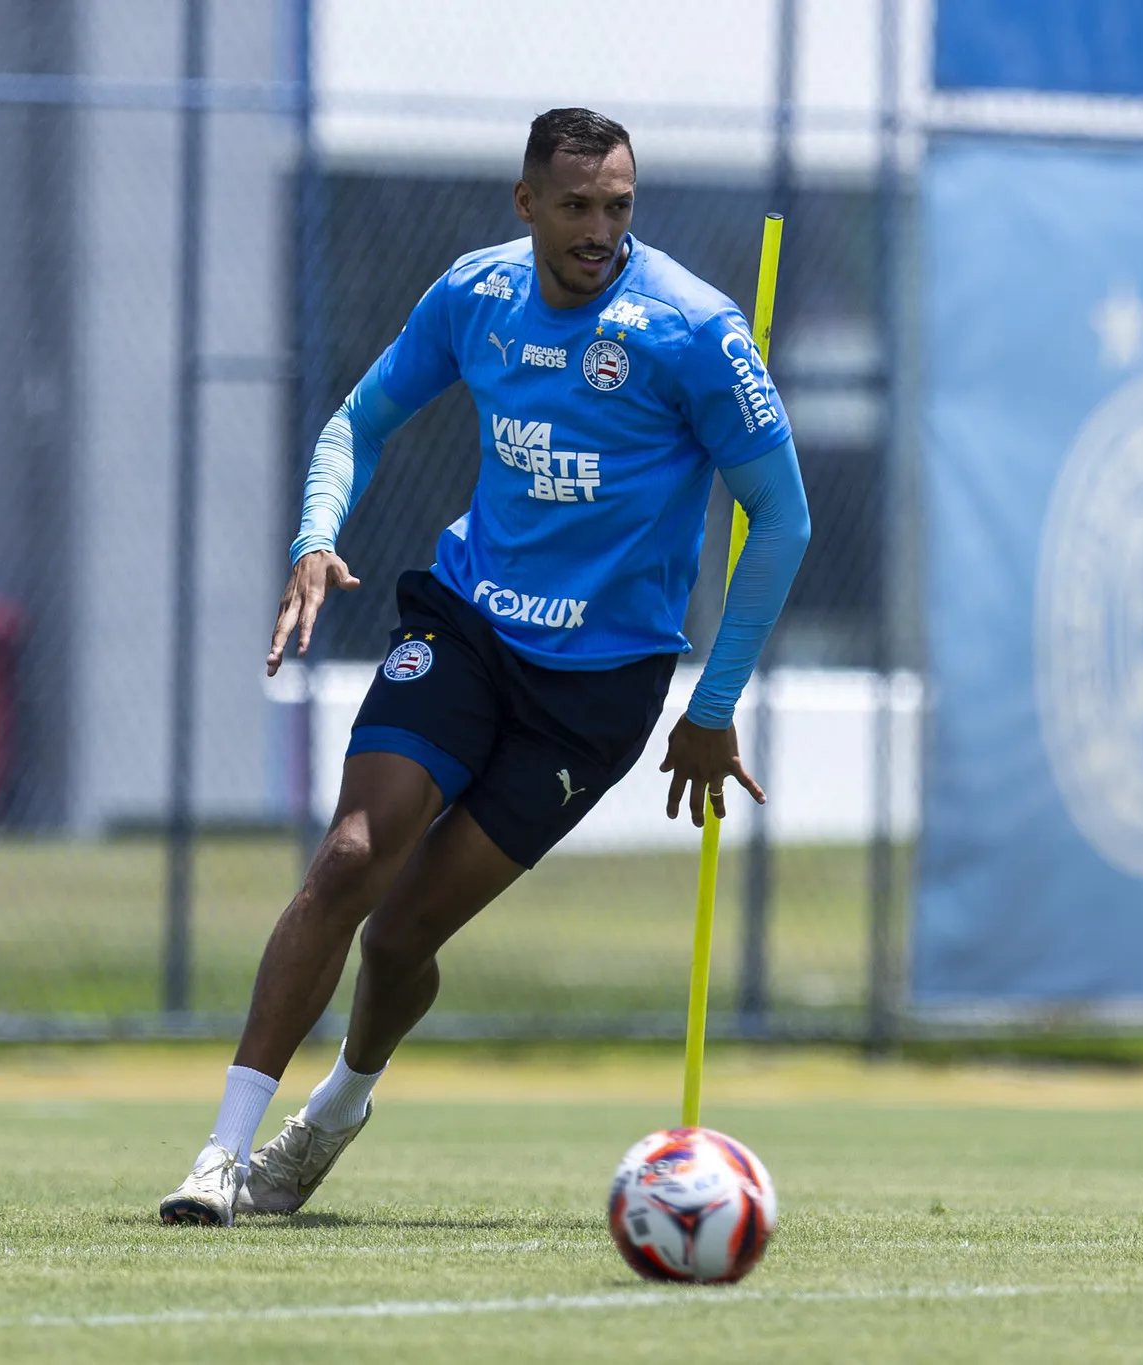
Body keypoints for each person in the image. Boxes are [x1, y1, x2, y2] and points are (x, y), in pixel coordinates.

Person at [160, 107, 810, 1225]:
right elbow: (354, 422)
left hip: (595, 693)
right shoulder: (476, 295)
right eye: (573, 207)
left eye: (617, 207)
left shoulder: (693, 332)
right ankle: (217, 1157)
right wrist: (315, 534)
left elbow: (781, 520)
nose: (598, 230)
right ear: (525, 204)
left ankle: (334, 1111)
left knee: (403, 933)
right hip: (467, 625)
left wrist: (709, 707)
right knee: (351, 855)